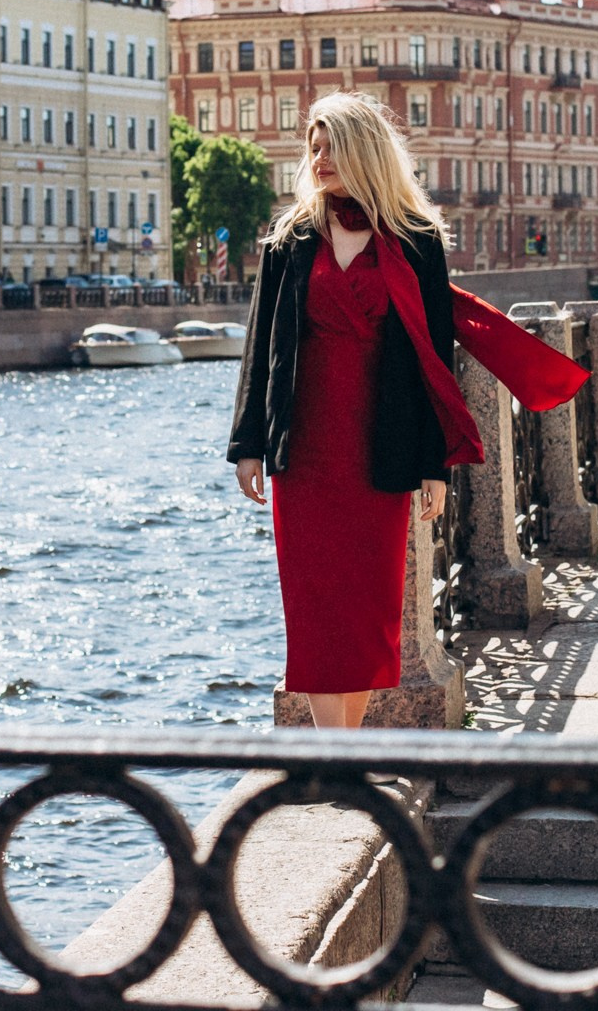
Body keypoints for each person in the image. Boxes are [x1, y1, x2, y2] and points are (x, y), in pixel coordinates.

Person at [228, 93, 472, 730]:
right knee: (312, 605)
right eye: (313, 146)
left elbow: (433, 362)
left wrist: (434, 465)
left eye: (331, 143)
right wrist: (248, 444)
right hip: (304, 445)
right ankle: (331, 755)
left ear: (363, 149)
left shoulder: (415, 242)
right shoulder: (290, 241)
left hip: (381, 442)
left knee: (367, 603)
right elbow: (261, 347)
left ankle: (348, 748)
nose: (319, 157)